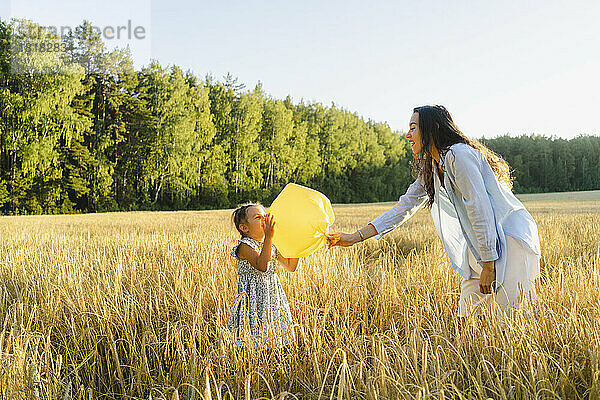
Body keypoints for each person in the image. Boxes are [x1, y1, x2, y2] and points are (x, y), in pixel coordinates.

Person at [328, 105, 541, 318]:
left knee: (512, 318)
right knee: (467, 317)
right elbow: (403, 207)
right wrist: (355, 237)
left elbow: (479, 209)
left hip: (510, 239)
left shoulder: (460, 156)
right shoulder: (432, 167)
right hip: (482, 244)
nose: (407, 135)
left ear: (433, 128)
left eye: (413, 128)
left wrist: (488, 265)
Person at [227, 203, 300, 347]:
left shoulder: (271, 244)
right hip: (252, 300)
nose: (264, 220)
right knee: (251, 335)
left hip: (271, 297)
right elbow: (262, 266)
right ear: (244, 228)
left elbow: (291, 266)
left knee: (272, 332)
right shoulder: (245, 245)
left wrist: (297, 244)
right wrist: (269, 237)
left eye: (265, 216)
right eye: (258, 217)